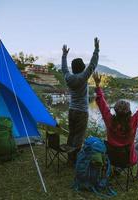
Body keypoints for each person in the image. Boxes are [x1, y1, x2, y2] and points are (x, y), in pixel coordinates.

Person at [93, 72, 138, 181]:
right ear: (129, 111)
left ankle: (118, 169)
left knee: (119, 148)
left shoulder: (109, 120)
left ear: (115, 111)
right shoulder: (133, 121)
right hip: (128, 160)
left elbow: (101, 103)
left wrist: (97, 85)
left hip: (112, 158)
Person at [61, 37, 100, 165]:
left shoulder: (68, 77)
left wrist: (64, 55)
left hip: (72, 110)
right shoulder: (83, 77)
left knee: (71, 134)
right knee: (79, 137)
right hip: (82, 111)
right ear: (82, 68)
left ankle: (69, 159)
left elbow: (64, 69)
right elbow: (93, 65)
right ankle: (75, 161)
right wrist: (96, 49)